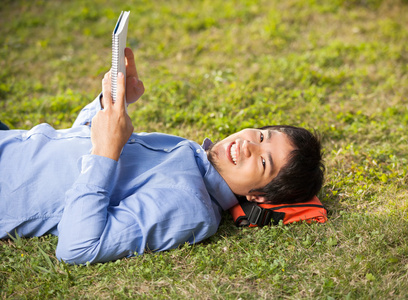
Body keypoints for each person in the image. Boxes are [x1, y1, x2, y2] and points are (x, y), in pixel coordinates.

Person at [0, 48, 324, 264]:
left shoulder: (191, 207)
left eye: (264, 162)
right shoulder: (192, 154)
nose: (250, 145)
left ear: (256, 194)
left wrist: (106, 151)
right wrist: (111, 104)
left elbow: (79, 246)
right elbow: (80, 152)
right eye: (262, 135)